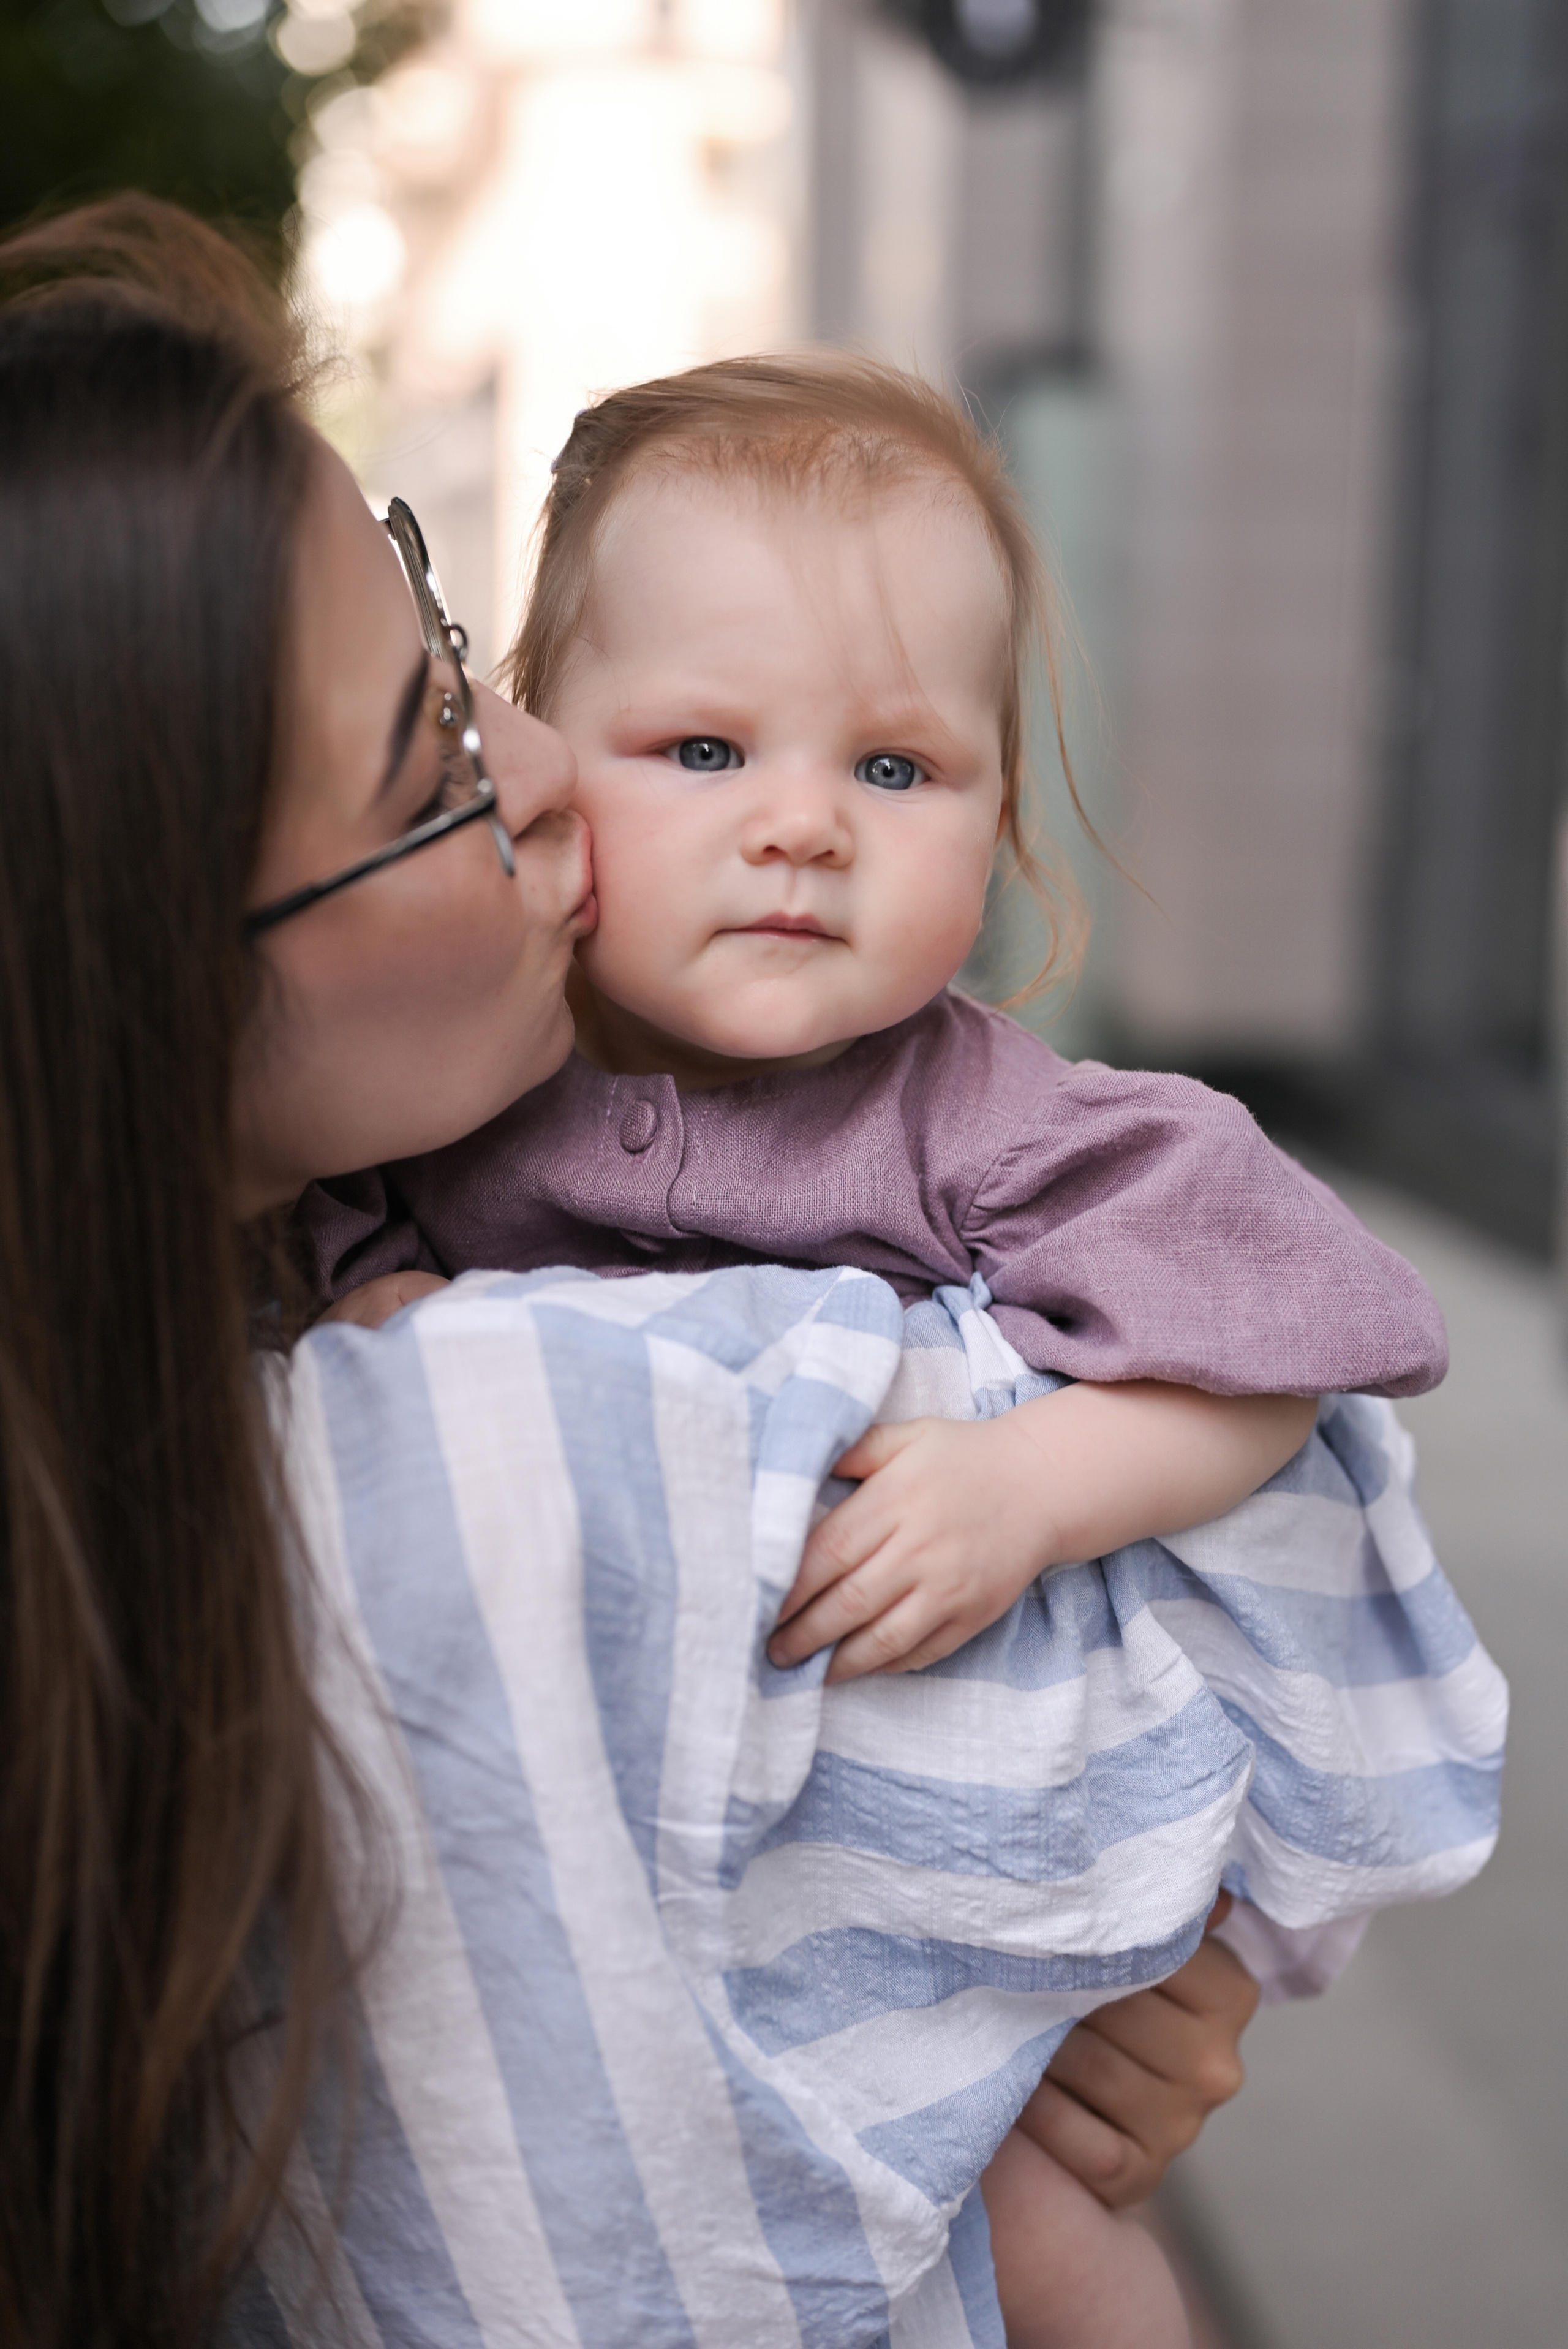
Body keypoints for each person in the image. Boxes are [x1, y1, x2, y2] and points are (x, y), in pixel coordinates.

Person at [0, 200, 1276, 2349]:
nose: (544, 760)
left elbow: (1270, 1363)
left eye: (445, 622)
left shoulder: (954, 1112)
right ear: (143, 985)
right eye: (431, 753)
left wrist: (1074, 1937)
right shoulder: (366, 1484)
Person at [300, 358, 1483, 2348]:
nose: (798, 830)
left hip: (907, 1941)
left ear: (1003, 817)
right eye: (700, 749)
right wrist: (379, 1326)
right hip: (569, 1935)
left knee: (1047, 2229)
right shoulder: (440, 1099)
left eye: (896, 770)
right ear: (545, 754)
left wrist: (1034, 1481)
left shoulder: (984, 1122)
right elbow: (322, 1265)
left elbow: (1300, 1344)